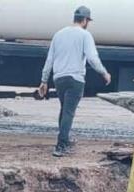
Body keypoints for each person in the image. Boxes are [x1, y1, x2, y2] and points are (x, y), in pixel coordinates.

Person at [39, 6, 112, 157]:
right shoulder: (85, 35)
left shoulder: (58, 34)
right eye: (88, 21)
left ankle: (65, 139)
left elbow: (49, 59)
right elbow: (92, 58)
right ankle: (61, 145)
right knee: (68, 111)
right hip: (75, 79)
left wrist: (44, 80)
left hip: (59, 79)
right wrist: (104, 72)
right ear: (85, 20)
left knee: (64, 109)